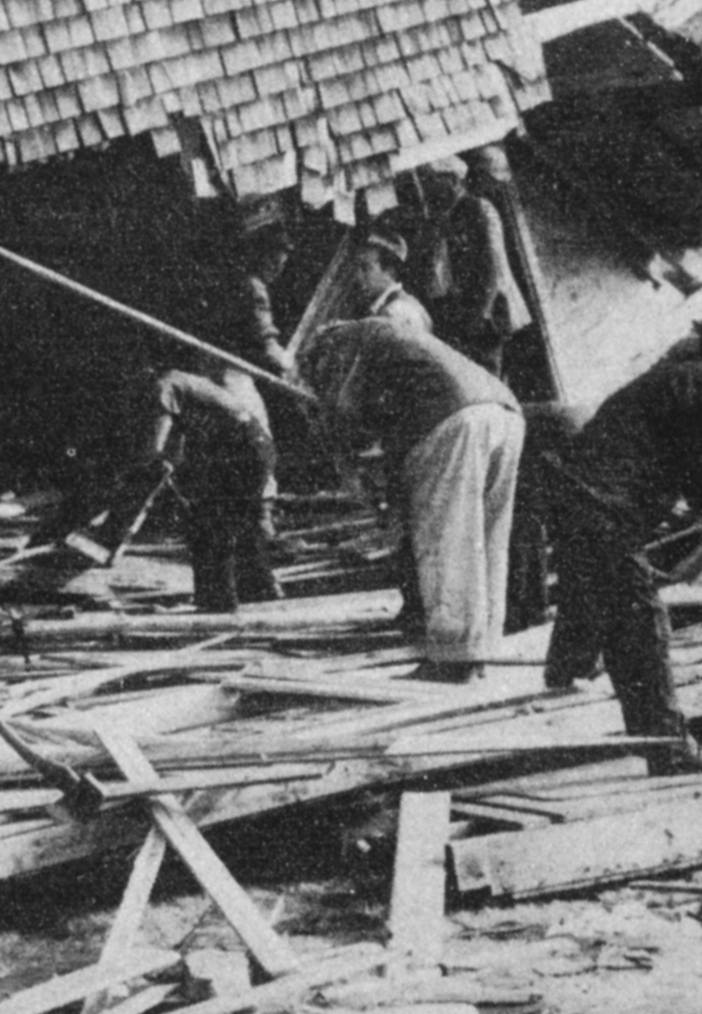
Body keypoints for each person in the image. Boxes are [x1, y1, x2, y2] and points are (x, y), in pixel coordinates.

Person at [543, 295, 702, 775]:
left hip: (574, 492)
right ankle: (668, 749)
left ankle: (555, 700)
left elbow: (679, 461)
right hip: (604, 506)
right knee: (641, 625)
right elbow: (696, 474)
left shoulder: (679, 369)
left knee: (585, 600)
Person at [299, 317, 524, 682]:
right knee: (488, 539)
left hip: (455, 418)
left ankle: (452, 660)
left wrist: (338, 449)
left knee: (446, 542)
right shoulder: (391, 341)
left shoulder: (346, 345)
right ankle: (481, 651)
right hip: (503, 412)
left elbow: (342, 412)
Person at [144, 363, 280, 611]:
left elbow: (157, 446)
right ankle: (259, 589)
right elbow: (173, 452)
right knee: (239, 520)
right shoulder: (186, 383)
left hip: (242, 447)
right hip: (256, 445)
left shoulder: (164, 386)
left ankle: (216, 602)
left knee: (209, 525)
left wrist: (144, 466)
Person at [416, 153, 531, 376]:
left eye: (431, 180)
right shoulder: (447, 215)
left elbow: (493, 268)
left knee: (486, 376)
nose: (427, 187)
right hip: (465, 314)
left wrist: (479, 316)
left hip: (486, 315)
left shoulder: (478, 209)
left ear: (451, 180)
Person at [232, 219, 295, 380]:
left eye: (282, 265)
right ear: (260, 255)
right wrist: (291, 365)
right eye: (273, 261)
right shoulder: (256, 288)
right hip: (230, 366)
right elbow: (268, 344)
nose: (277, 270)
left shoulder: (241, 279)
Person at [351, 227, 432, 333]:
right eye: (357, 267)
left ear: (390, 270)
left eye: (365, 268)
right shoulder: (385, 307)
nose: (357, 276)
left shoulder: (397, 311)